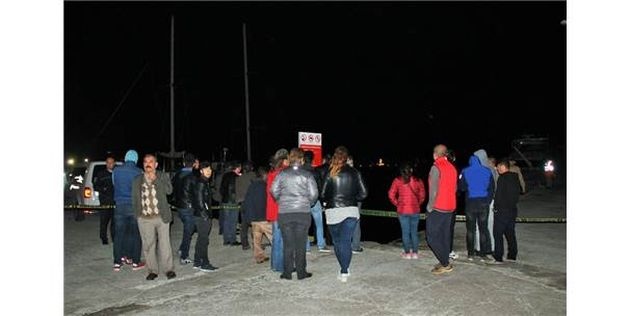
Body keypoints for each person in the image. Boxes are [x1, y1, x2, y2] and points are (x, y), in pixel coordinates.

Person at [321, 146, 368, 282]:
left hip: (333, 212)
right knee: (346, 241)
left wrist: (330, 199)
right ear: (347, 157)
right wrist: (353, 198)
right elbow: (364, 193)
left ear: (335, 156)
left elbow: (323, 194)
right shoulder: (355, 172)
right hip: (351, 211)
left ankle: (343, 268)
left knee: (337, 242)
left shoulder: (330, 173)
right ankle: (344, 270)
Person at [271, 148, 319, 280]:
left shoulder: (281, 174)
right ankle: (301, 272)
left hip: (285, 213)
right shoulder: (307, 175)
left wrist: (281, 200)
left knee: (288, 244)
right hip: (302, 213)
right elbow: (314, 194)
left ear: (290, 159)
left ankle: (287, 273)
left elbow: (273, 190)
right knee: (300, 244)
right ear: (302, 159)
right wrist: (307, 202)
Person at [132, 153, 176, 280]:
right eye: (145, 161)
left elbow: (169, 191)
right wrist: (138, 216)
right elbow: (134, 199)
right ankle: (152, 270)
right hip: (145, 218)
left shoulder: (162, 176)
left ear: (156, 164)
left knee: (165, 244)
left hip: (161, 217)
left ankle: (168, 269)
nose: (148, 164)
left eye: (151, 161)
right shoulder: (137, 180)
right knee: (148, 245)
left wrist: (155, 179)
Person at [426, 144, 458, 275]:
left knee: (432, 237)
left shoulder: (436, 167)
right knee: (445, 236)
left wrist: (429, 208)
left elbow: (433, 191)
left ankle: (445, 263)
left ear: (435, 154)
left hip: (438, 208)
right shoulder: (452, 167)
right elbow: (455, 189)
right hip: (450, 207)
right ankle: (444, 260)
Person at [111, 149, 144, 272]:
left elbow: (114, 184)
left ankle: (117, 262)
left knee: (119, 234)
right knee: (135, 234)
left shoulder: (116, 170)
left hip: (119, 206)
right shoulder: (139, 171)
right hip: (134, 206)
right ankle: (135, 261)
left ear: (125, 158)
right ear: (135, 159)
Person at [458, 154, 495, 261]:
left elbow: (462, 187)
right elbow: (492, 188)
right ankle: (483, 254)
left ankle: (470, 253)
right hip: (483, 204)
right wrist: (487, 201)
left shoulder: (465, 171)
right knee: (483, 229)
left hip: (470, 204)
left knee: (470, 230)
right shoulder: (487, 171)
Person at [388, 162, 426, 259]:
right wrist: (418, 203)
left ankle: (407, 253)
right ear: (411, 171)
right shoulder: (418, 181)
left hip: (403, 210)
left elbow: (391, 195)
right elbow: (422, 195)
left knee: (405, 232)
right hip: (415, 210)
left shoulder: (397, 181)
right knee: (414, 232)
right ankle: (415, 253)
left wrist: (397, 203)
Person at [490, 160, 522, 264]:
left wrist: (495, 207)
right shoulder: (515, 177)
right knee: (510, 233)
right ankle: (512, 255)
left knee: (498, 234)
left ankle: (498, 257)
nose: (498, 170)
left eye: (499, 167)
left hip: (502, 210)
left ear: (503, 167)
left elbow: (498, 195)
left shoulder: (502, 178)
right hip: (512, 209)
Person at [190, 161, 219, 272]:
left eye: (210, 169)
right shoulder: (201, 183)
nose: (209, 171)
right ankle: (204, 263)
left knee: (201, 239)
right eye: (206, 169)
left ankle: (197, 261)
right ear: (201, 171)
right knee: (203, 240)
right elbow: (199, 201)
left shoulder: (204, 182)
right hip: (202, 216)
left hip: (201, 215)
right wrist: (205, 215)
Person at [171, 152, 197, 265]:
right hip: (189, 207)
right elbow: (196, 193)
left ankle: (182, 249)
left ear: (183, 162)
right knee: (188, 231)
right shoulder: (194, 176)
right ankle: (184, 256)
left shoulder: (177, 174)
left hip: (179, 206)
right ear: (194, 163)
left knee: (189, 230)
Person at [266, 148, 290, 272]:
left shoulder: (272, 173)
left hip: (274, 211)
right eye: (288, 159)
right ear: (283, 160)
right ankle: (281, 266)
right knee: (282, 239)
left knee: (277, 238)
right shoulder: (282, 174)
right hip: (282, 210)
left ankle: (275, 265)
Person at [243, 166, 272, 264]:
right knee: (275, 238)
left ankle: (259, 257)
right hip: (263, 218)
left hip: (254, 219)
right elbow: (265, 202)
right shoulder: (264, 186)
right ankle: (279, 257)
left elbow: (246, 202)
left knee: (257, 240)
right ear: (264, 175)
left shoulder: (252, 186)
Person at [303, 150, 330, 253]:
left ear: (303, 159)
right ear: (312, 159)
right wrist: (322, 201)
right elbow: (319, 188)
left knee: (305, 224)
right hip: (315, 201)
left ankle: (306, 248)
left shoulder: (300, 171)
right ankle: (321, 245)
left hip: (303, 201)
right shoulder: (315, 172)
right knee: (319, 223)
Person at [473, 149, 498, 255]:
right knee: (488, 225)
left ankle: (481, 248)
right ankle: (489, 248)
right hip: (489, 201)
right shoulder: (491, 169)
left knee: (482, 226)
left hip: (486, 202)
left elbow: (492, 188)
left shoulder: (488, 170)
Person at [94, 154, 116, 245]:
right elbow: (96, 186)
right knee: (104, 222)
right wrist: (103, 189)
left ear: (114, 163)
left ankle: (114, 238)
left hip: (115, 202)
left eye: (111, 162)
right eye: (108, 163)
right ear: (106, 164)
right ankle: (104, 238)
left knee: (114, 223)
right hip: (104, 202)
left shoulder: (117, 173)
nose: (110, 164)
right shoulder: (101, 174)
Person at [220, 161, 242, 246]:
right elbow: (238, 190)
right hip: (233, 202)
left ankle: (226, 240)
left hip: (225, 201)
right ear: (238, 168)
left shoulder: (225, 175)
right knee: (233, 221)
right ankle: (232, 240)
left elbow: (221, 189)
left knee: (226, 221)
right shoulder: (237, 177)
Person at [236, 160, 256, 250]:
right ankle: (256, 244)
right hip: (253, 202)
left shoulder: (239, 178)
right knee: (255, 224)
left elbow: (237, 192)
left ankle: (245, 244)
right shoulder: (254, 176)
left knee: (244, 225)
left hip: (243, 203)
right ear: (251, 168)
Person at [347, 155, 364, 254]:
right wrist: (358, 198)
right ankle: (355, 246)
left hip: (345, 201)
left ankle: (346, 245)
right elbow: (364, 191)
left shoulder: (340, 173)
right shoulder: (357, 173)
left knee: (346, 221)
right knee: (356, 222)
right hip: (356, 201)